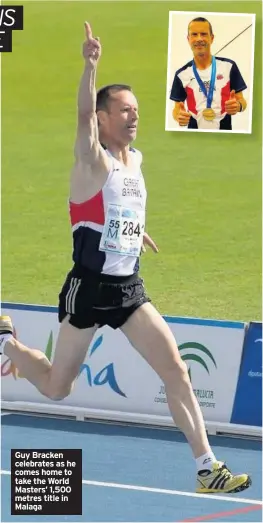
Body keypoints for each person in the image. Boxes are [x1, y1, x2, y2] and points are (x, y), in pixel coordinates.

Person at [0, 22, 251, 494]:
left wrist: (138, 234)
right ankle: (7, 344)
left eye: (136, 109)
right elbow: (79, 118)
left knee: (175, 367)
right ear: (101, 117)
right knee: (58, 388)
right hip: (89, 287)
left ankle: (206, 467)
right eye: (123, 110)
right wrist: (90, 68)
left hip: (129, 287)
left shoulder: (136, 160)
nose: (134, 117)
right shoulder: (90, 158)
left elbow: (123, 206)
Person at [170, 17, 248, 130]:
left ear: (211, 38)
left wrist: (238, 106)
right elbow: (177, 108)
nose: (199, 38)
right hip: (194, 135)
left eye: (204, 34)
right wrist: (179, 116)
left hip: (224, 133)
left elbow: (242, 100)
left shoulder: (229, 67)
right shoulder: (181, 75)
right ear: (188, 39)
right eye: (194, 34)